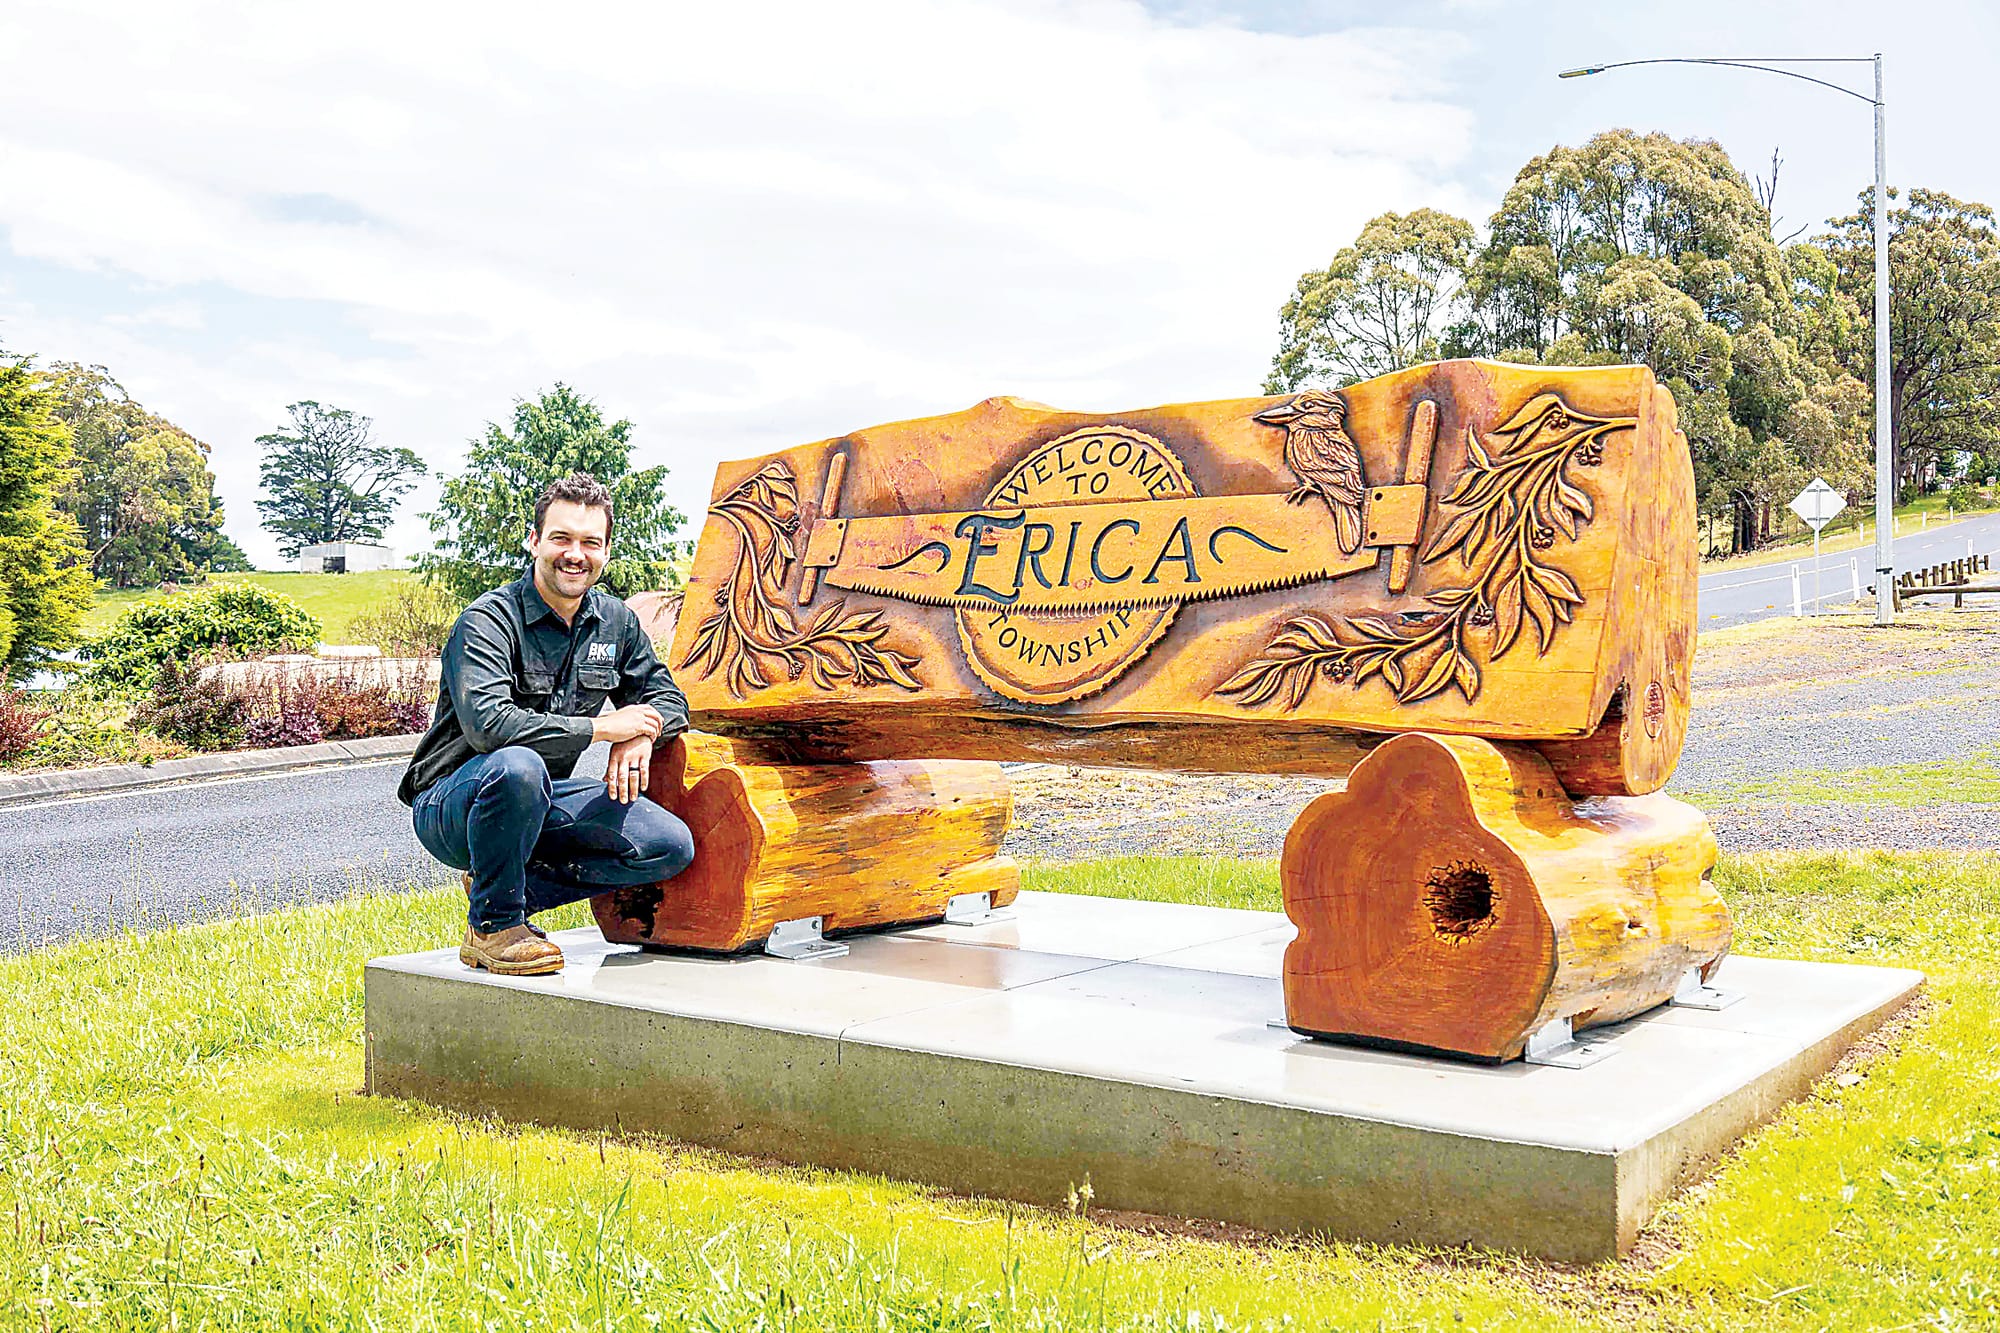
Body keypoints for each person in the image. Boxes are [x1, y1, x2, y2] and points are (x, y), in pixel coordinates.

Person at [398, 472, 694, 975]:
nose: (575, 554)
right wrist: (605, 730)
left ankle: (501, 891)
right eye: (561, 538)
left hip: (542, 799)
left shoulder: (615, 622)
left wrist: (643, 730)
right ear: (535, 541)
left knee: (668, 844)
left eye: (590, 542)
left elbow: (668, 698)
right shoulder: (488, 620)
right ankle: (495, 928)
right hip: (454, 803)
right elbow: (491, 727)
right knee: (518, 766)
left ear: (605, 550)